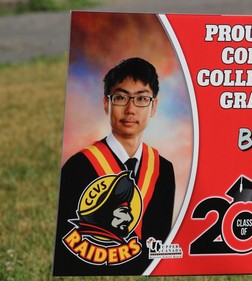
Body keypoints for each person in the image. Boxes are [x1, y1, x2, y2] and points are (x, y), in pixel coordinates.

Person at [53, 57, 176, 276]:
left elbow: (159, 241)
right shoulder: (78, 168)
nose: (130, 109)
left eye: (141, 99)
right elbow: (65, 249)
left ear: (154, 106)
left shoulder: (163, 170)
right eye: (120, 97)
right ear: (106, 104)